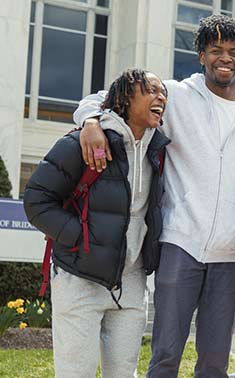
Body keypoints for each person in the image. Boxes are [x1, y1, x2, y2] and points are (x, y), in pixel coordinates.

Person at [73, 15, 235, 377]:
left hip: (230, 254)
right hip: (179, 243)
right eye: (216, 50)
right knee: (166, 354)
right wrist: (91, 121)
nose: (225, 58)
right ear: (201, 55)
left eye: (234, 51)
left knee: (215, 361)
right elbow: (105, 98)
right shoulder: (174, 96)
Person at [24, 69, 169, 378]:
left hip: (131, 282)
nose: (162, 97)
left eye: (163, 93)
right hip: (80, 276)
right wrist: (82, 239)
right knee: (76, 372)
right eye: (152, 90)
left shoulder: (159, 150)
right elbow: (36, 200)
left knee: (123, 373)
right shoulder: (83, 142)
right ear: (126, 99)